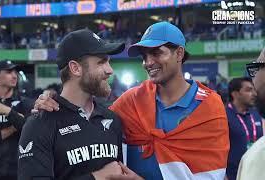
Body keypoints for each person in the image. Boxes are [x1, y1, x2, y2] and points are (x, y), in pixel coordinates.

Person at [34, 22, 229, 180]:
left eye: (156, 52)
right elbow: (87, 118)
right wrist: (52, 101)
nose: (148, 62)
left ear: (179, 53)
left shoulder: (210, 106)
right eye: (144, 56)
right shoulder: (131, 101)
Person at [18, 29, 142, 180]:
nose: (110, 70)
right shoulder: (40, 124)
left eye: (109, 62)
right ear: (75, 68)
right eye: (101, 62)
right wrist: (96, 177)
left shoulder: (112, 119)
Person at [225, 77, 263, 180]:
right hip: (233, 175)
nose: (254, 94)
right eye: (248, 90)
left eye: (254, 89)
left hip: (256, 173)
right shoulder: (223, 115)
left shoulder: (256, 114)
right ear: (235, 94)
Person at [236, 48, 265, 180]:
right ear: (235, 94)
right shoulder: (225, 117)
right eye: (247, 90)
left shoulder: (259, 156)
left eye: (256, 69)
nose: (253, 91)